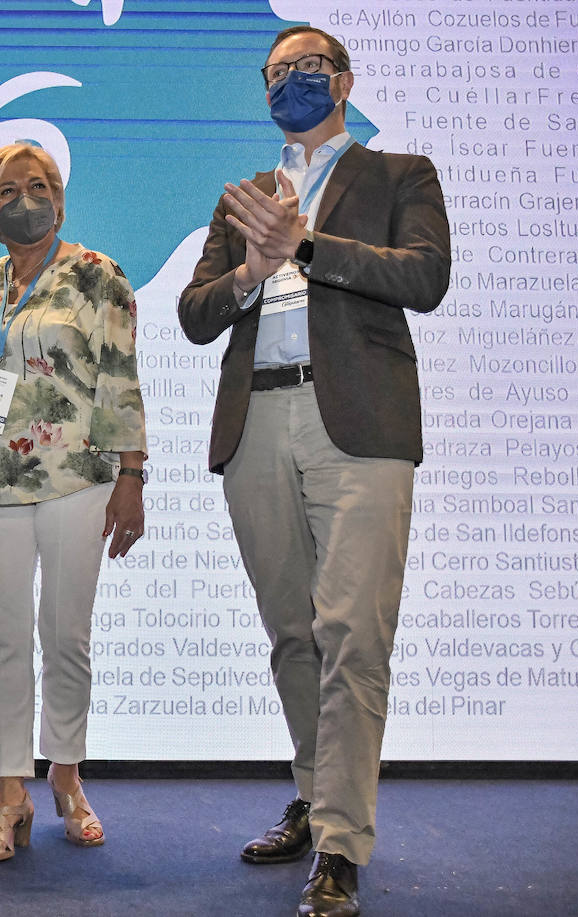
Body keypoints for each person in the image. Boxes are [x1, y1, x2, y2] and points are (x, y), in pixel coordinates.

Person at [177, 26, 450, 917]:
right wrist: (253, 271)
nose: (293, 81)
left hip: (359, 425)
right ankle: (311, 785)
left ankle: (339, 841)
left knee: (353, 634)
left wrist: (305, 247)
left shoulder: (399, 174)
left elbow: (425, 277)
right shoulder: (247, 196)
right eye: (278, 72)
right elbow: (192, 313)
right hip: (256, 416)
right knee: (294, 632)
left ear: (344, 82)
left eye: (309, 68)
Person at [0, 142, 147, 864]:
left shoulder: (96, 275)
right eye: (8, 192)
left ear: (60, 196)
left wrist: (132, 475)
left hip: (76, 476)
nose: (26, 199)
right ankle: (8, 791)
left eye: (39, 185)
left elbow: (120, 378)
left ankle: (66, 775)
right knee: (4, 639)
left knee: (65, 634)